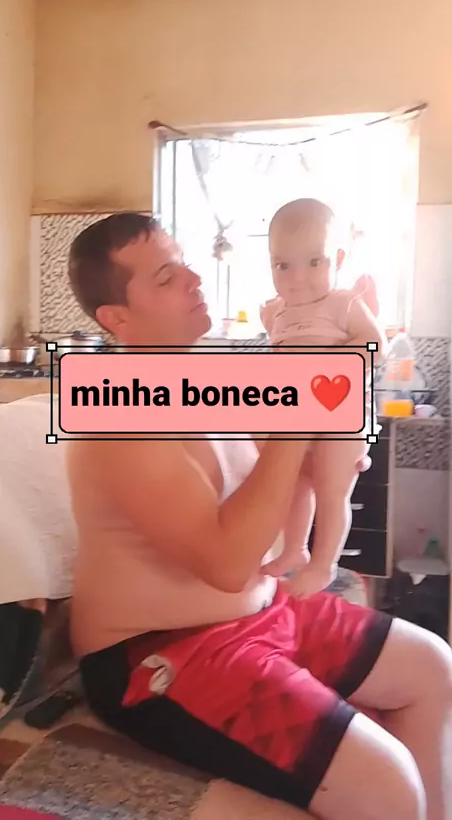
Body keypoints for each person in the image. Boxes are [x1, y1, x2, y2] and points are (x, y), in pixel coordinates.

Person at [66, 212, 452, 820]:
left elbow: (270, 482)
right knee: (389, 786)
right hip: (162, 652)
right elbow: (226, 563)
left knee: (433, 666)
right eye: (166, 277)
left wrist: (329, 456)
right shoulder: (116, 409)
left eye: (185, 263)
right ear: (117, 319)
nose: (194, 278)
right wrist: (300, 411)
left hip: (263, 613)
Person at [259, 199, 387, 597]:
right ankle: (294, 549)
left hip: (341, 416)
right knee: (295, 484)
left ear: (339, 259)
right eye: (283, 265)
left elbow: (375, 346)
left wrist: (328, 366)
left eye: (314, 262)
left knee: (332, 491)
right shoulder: (280, 313)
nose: (298, 278)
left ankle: (323, 564)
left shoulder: (344, 303)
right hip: (299, 417)